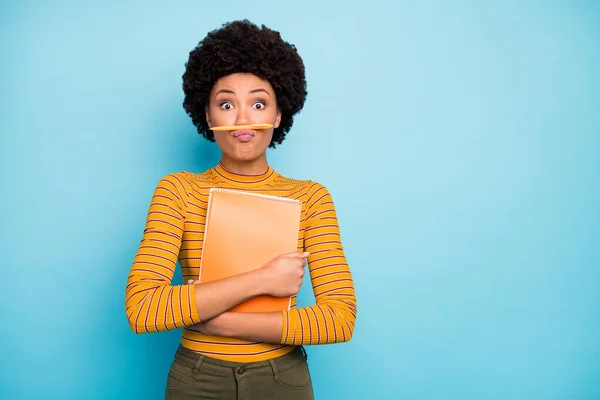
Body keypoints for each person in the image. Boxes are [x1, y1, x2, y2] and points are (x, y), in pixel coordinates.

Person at [125, 19, 357, 400]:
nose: (243, 119)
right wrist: (262, 280)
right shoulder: (178, 191)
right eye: (227, 104)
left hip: (282, 378)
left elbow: (338, 319)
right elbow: (143, 308)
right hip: (196, 379)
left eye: (259, 103)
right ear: (208, 115)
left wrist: (222, 323)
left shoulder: (311, 198)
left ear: (279, 115)